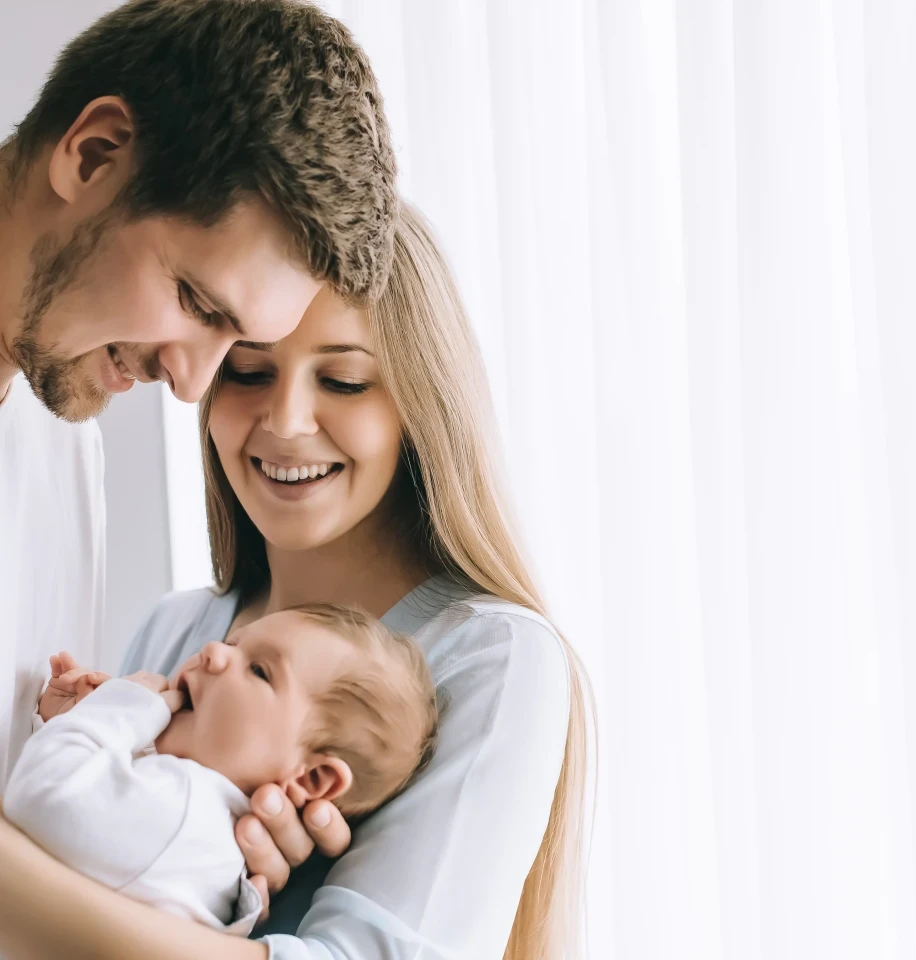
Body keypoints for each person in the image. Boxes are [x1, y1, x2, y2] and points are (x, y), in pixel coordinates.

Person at [0, 203, 593, 960]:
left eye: (344, 381)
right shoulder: (175, 632)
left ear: (421, 406)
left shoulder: (491, 657)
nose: (285, 422)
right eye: (249, 372)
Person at [0, 0, 397, 827]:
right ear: (94, 153)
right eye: (195, 301)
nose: (189, 385)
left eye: (235, 345)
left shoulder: (64, 453)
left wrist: (182, 830)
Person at [4, 605, 436, 936]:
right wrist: (68, 720)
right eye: (231, 643)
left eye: (259, 670)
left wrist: (116, 710)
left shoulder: (185, 813)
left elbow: (38, 797)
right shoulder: (192, 816)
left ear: (311, 778)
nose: (212, 652)